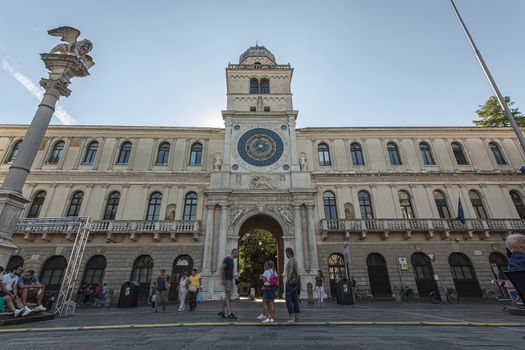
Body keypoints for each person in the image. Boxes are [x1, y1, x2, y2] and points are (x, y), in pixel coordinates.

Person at [218, 248, 239, 320]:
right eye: (237, 253)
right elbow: (221, 268)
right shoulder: (227, 259)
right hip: (226, 280)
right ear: (234, 253)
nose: (238, 255)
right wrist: (222, 279)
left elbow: (229, 271)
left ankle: (221, 311)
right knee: (228, 295)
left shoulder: (232, 261)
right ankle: (229, 313)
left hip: (230, 280)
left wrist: (234, 277)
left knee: (228, 296)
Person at [285, 247, 300, 323]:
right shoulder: (295, 260)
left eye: (286, 253)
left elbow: (290, 270)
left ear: (288, 253)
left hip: (291, 282)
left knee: (288, 299)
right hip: (296, 282)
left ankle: (292, 317)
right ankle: (296, 316)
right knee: (295, 299)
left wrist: (287, 279)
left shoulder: (290, 260)